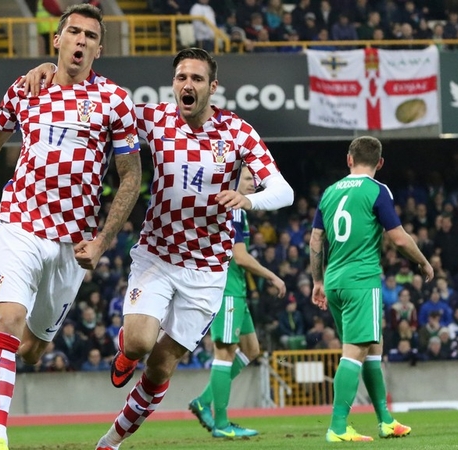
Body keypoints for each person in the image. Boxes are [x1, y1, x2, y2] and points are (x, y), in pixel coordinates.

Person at [20, 47, 294, 449]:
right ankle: (125, 355)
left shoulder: (237, 132)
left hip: (207, 270)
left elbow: (283, 191)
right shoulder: (153, 117)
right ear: (174, 84)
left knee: (162, 365)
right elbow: (99, 98)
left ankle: (109, 442)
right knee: (139, 343)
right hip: (158, 255)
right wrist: (55, 68)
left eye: (197, 79)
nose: (188, 85)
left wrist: (248, 200)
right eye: (182, 77)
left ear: (212, 87)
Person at [0, 5, 142, 450]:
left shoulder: (115, 100)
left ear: (99, 48)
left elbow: (130, 175)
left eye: (90, 36)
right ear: (57, 39)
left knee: (32, 349)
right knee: (9, 320)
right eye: (73, 32)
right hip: (20, 222)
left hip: (72, 244)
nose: (81, 40)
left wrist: (103, 240)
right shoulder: (27, 87)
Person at [309, 136, 433, 442]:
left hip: (335, 280)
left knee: (372, 350)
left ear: (349, 159)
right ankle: (338, 426)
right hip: (362, 281)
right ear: (379, 163)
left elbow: (315, 240)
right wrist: (424, 262)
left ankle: (385, 420)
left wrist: (317, 281)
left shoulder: (329, 192)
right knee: (354, 352)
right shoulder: (377, 190)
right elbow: (399, 238)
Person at [187, 168, 287, 437]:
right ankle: (221, 424)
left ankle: (203, 401)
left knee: (251, 349)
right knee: (225, 353)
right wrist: (272, 276)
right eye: (247, 179)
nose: (254, 183)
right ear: (233, 181)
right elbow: (239, 257)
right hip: (226, 289)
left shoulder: (235, 209)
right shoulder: (232, 209)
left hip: (236, 289)